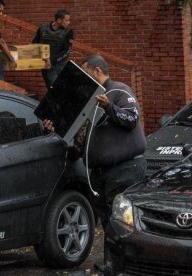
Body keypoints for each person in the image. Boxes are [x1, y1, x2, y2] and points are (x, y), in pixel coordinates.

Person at [43, 54, 147, 272]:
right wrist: (55, 126)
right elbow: (80, 137)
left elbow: (131, 118)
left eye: (85, 72)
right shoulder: (88, 102)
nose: (82, 78)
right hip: (99, 172)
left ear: (97, 71)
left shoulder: (118, 91)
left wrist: (109, 106)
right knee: (108, 221)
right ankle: (112, 265)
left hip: (124, 168)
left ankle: (126, 266)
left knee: (121, 220)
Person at [32, 9, 74, 89]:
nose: (69, 22)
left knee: (58, 90)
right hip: (46, 66)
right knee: (52, 89)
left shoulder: (68, 31)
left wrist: (51, 60)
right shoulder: (42, 29)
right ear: (59, 20)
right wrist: (44, 58)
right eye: (66, 20)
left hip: (60, 66)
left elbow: (66, 51)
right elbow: (35, 45)